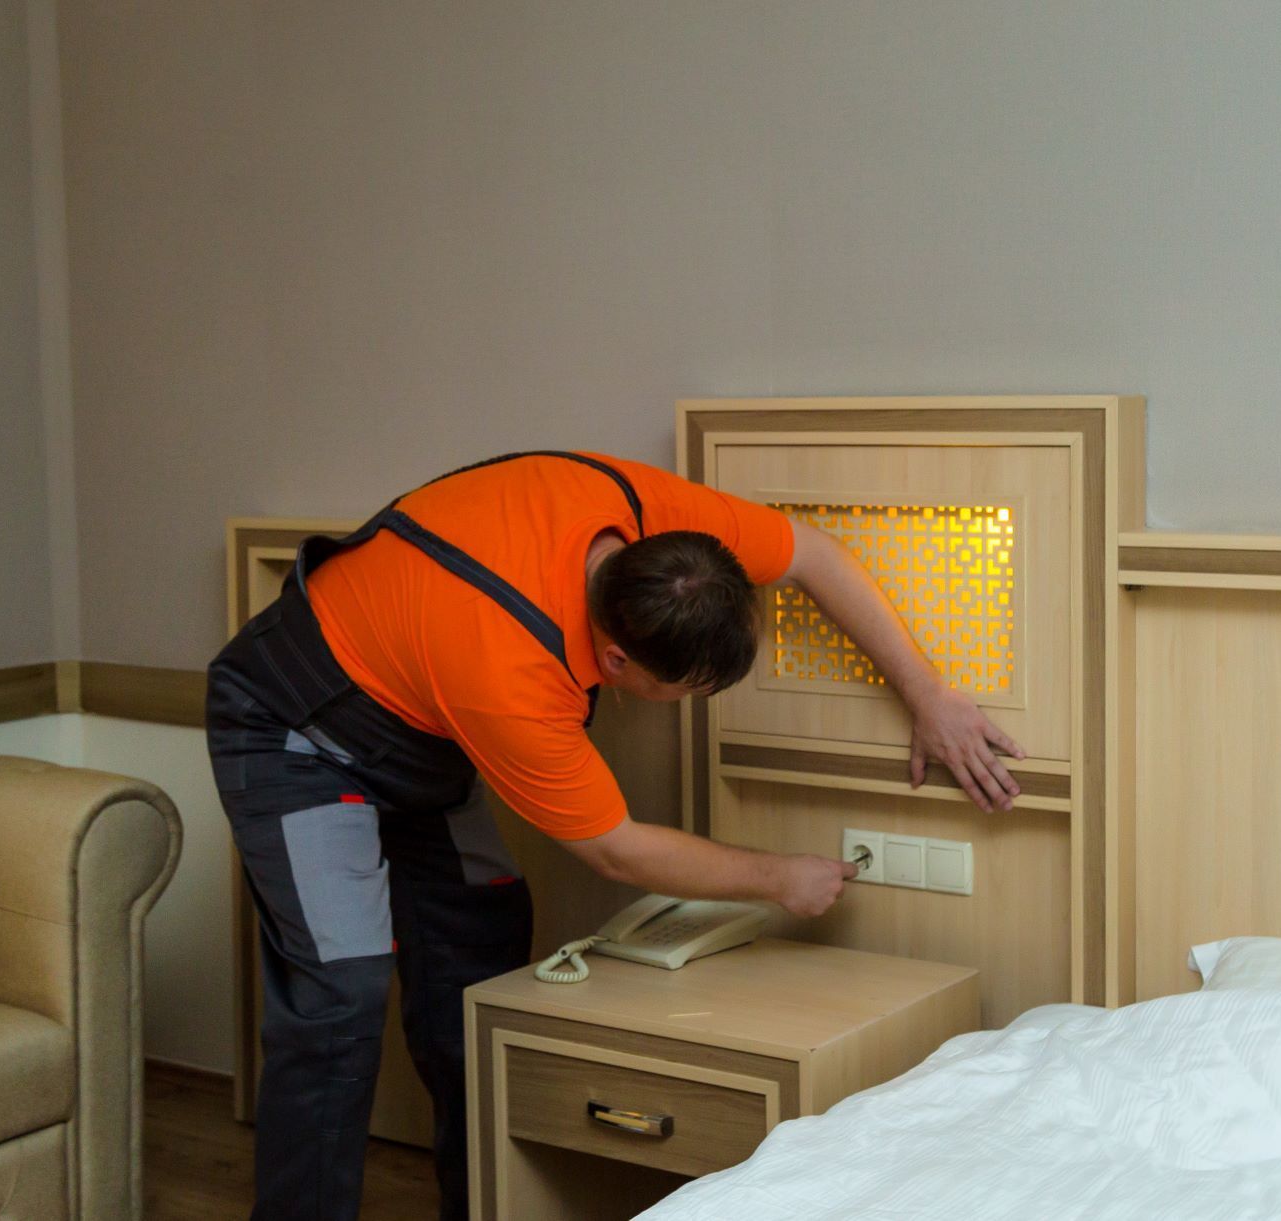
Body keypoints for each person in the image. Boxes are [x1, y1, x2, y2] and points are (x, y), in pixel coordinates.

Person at [204, 450, 1022, 1221]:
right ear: (618, 661)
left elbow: (812, 552)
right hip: (295, 730)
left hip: (422, 720)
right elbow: (615, 848)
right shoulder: (513, 675)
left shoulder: (653, 521)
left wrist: (927, 694)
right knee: (340, 998)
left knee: (478, 957)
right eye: (685, 691)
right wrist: (780, 878)